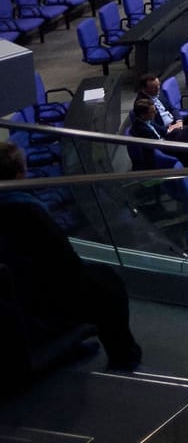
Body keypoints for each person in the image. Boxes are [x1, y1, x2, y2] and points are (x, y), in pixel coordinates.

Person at [0, 141, 144, 368]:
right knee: (108, 285)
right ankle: (124, 358)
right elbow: (63, 262)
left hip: (14, 288)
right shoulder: (26, 211)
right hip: (37, 291)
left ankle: (69, 343)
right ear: (20, 174)